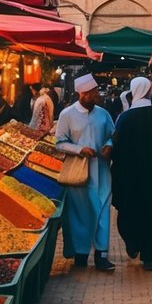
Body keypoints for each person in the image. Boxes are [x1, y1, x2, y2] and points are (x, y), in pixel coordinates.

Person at [111, 77, 152, 271]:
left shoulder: (125, 118)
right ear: (149, 91)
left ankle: (133, 242)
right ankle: (151, 257)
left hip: (130, 178)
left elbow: (116, 146)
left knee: (130, 211)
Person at [55, 73, 116, 271]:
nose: (98, 95)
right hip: (79, 174)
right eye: (94, 92)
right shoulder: (67, 115)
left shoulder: (103, 114)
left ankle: (102, 255)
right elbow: (59, 143)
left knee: (102, 212)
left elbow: (113, 134)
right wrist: (80, 149)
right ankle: (81, 254)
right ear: (83, 94)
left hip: (102, 170)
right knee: (80, 214)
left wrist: (109, 145)